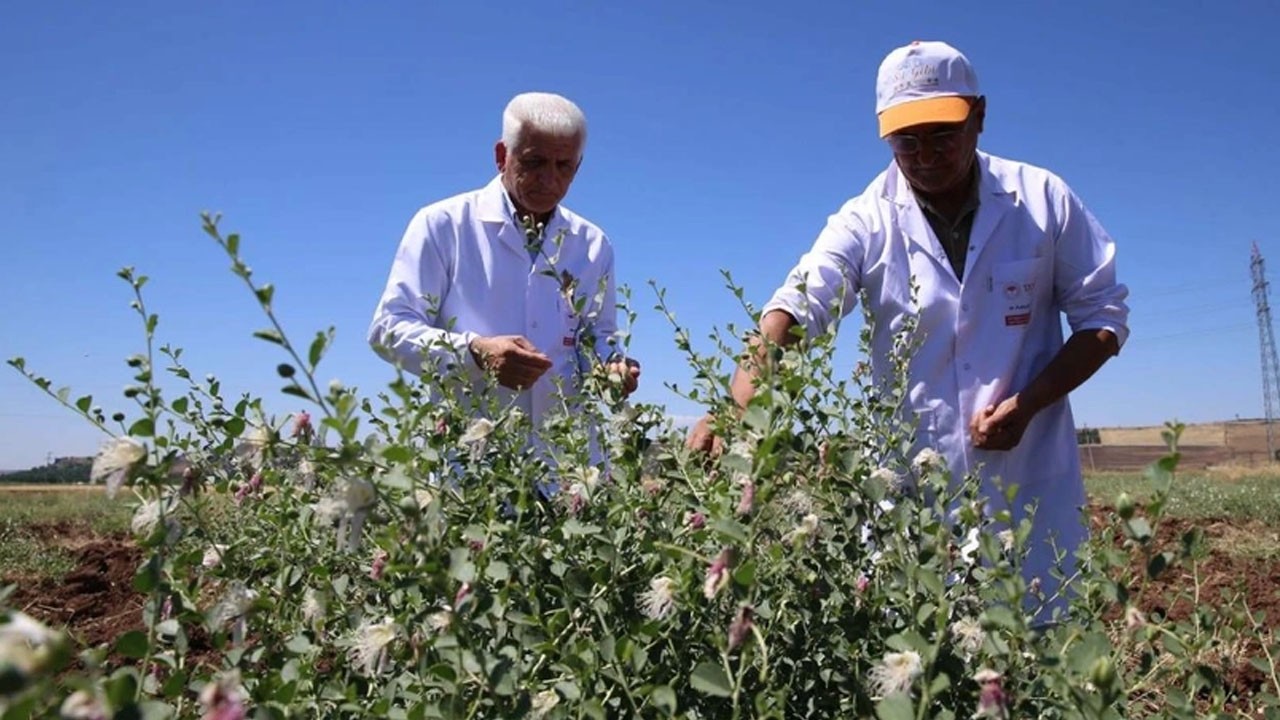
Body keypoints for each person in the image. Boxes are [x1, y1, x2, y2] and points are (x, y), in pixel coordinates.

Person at [687, 41, 1129, 615]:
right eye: (905, 140)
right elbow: (797, 307)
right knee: (918, 669)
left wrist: (1030, 403)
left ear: (980, 116)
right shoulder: (866, 218)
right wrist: (732, 408)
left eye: (942, 134)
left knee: (1034, 665)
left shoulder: (1042, 200)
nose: (924, 155)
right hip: (911, 498)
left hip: (1028, 486)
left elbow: (1103, 319)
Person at [368, 91, 640, 440]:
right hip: (475, 463)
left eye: (564, 166)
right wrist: (475, 352)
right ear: (502, 156)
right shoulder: (443, 225)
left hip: (568, 461)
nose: (549, 179)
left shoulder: (592, 245)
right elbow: (388, 330)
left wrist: (610, 366)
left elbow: (596, 336)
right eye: (534, 162)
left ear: (578, 165)